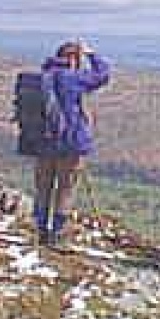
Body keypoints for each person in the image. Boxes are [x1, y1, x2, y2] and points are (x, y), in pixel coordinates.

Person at [34, 40, 110, 246]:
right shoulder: (73, 78)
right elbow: (103, 75)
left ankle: (40, 231)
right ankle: (57, 234)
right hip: (69, 144)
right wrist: (91, 54)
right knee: (65, 189)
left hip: (42, 145)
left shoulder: (42, 78)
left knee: (43, 189)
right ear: (74, 59)